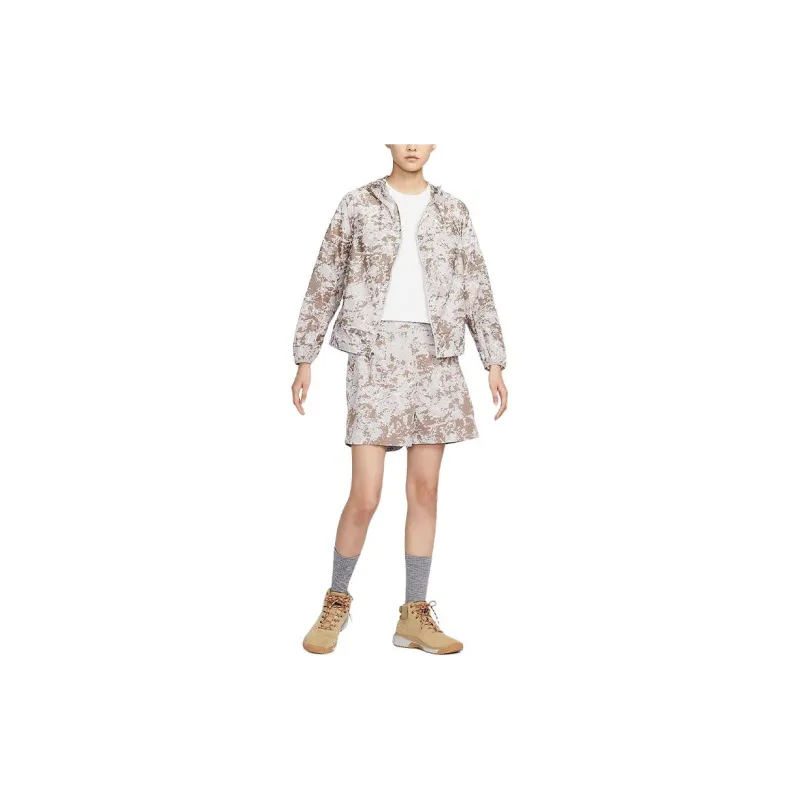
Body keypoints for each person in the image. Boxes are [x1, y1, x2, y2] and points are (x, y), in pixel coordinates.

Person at [292, 144, 507, 655]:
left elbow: (475, 284)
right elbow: (326, 277)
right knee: (366, 494)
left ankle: (414, 614)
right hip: (375, 353)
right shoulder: (356, 204)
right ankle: (336, 601)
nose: (412, 144)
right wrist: (305, 355)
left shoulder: (453, 209)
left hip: (438, 356)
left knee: (424, 491)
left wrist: (494, 359)